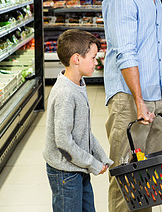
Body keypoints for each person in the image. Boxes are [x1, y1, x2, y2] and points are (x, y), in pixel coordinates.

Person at [102, 0, 162, 212]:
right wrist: (139, 102)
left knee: (151, 174)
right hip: (131, 99)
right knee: (126, 174)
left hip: (156, 94)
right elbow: (125, 53)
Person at [43, 29, 113, 212]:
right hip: (65, 172)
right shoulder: (66, 93)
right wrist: (93, 163)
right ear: (77, 59)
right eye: (93, 57)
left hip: (78, 166)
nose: (96, 62)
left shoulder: (79, 84)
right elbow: (64, 142)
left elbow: (83, 131)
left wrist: (102, 157)